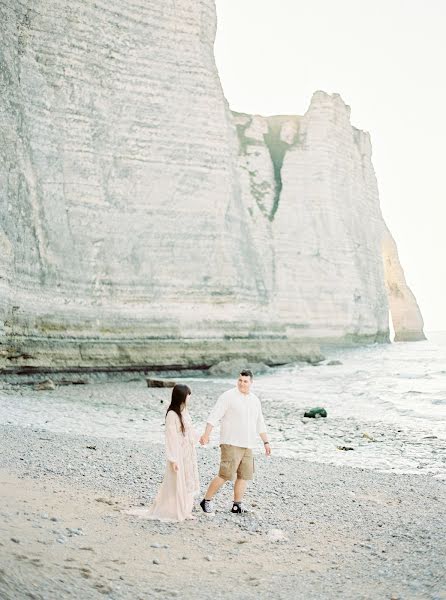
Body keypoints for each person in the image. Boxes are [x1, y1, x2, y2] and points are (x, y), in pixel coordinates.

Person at [125, 383, 200, 522]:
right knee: (177, 483)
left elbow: (189, 430)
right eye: (188, 396)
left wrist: (199, 439)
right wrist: (173, 459)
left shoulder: (184, 411)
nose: (189, 398)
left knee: (188, 480)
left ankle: (186, 510)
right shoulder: (172, 414)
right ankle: (177, 511)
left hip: (188, 451)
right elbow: (170, 438)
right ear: (181, 397)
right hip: (178, 453)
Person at [199, 369, 270, 514]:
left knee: (244, 476)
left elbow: (260, 423)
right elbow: (214, 416)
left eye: (245, 381)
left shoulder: (255, 400)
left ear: (251, 382)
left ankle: (237, 505)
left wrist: (266, 442)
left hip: (248, 444)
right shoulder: (228, 396)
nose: (242, 384)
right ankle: (206, 500)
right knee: (225, 474)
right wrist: (206, 434)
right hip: (231, 442)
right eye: (240, 380)